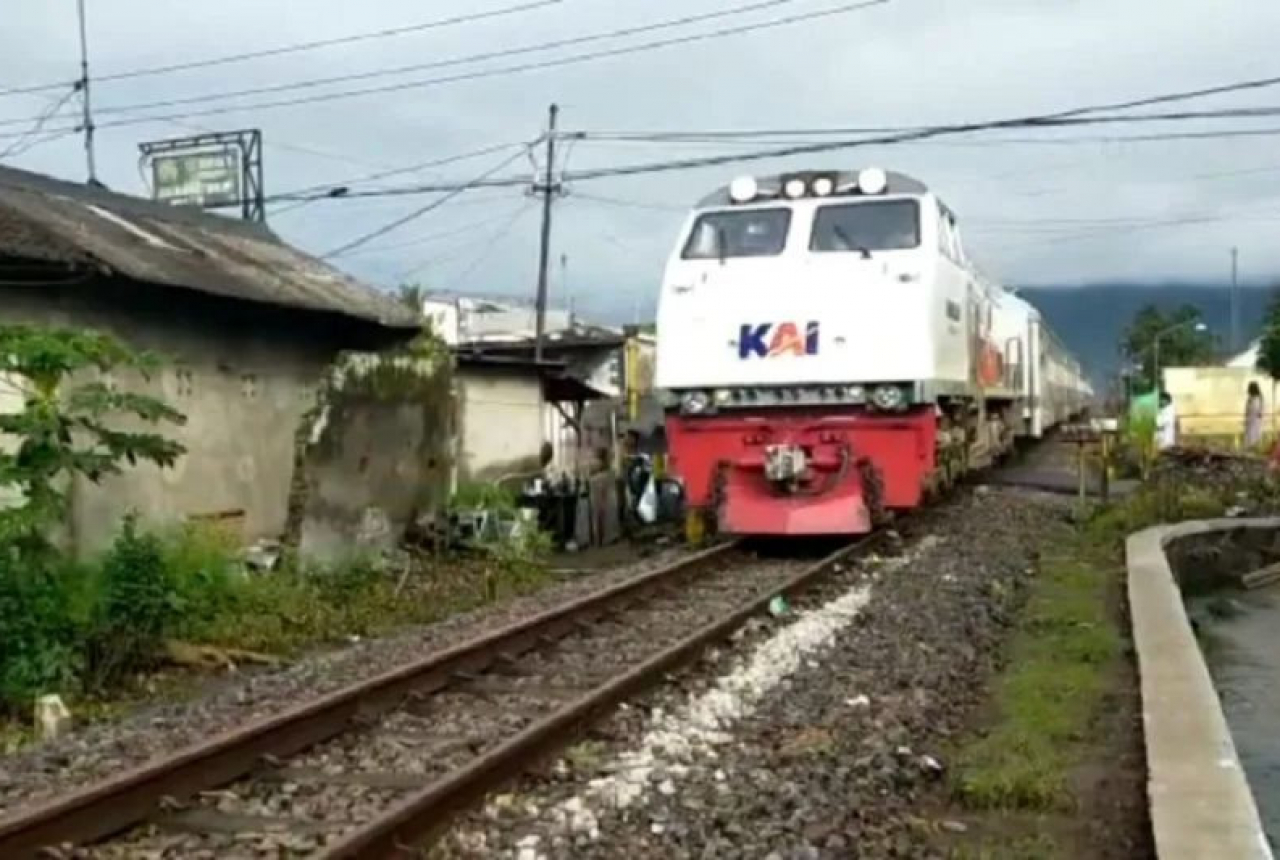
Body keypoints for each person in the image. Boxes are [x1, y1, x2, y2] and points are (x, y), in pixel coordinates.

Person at [1244, 382, 1265, 450]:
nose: (1248, 390)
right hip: (1250, 420)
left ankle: (1254, 448)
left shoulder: (1259, 398)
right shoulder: (1250, 398)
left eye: (1249, 388)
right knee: (1249, 436)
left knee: (1254, 435)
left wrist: (1259, 414)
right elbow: (1247, 409)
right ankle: (1250, 448)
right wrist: (1247, 418)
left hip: (1256, 420)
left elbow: (1261, 410)